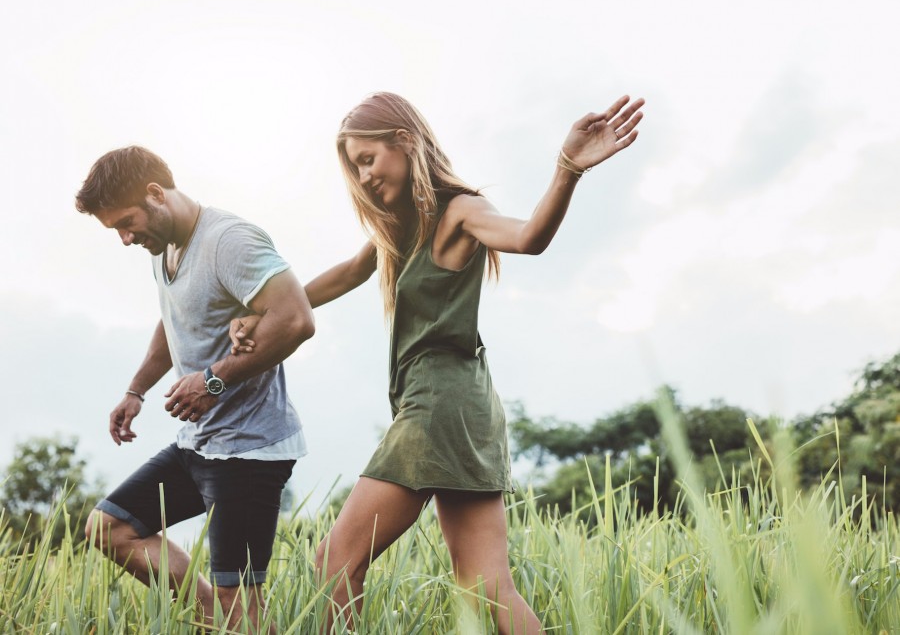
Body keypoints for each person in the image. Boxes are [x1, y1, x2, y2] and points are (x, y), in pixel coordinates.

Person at [230, 92, 644, 633]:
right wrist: (265, 310)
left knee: (335, 562)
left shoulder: (459, 211)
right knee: (487, 587)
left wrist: (567, 169)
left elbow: (527, 237)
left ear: (403, 141)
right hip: (466, 408)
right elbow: (345, 275)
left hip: (438, 406)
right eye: (355, 170)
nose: (364, 178)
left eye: (367, 160)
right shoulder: (401, 228)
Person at [75, 146, 315, 631]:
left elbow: (295, 318)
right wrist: (136, 390)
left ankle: (235, 621)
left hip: (250, 449)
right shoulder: (162, 247)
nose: (124, 238)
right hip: (199, 444)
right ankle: (227, 624)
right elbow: (174, 321)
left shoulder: (229, 240)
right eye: (116, 231)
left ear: (156, 193)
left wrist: (213, 380)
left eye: (126, 222)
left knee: (239, 598)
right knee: (109, 528)